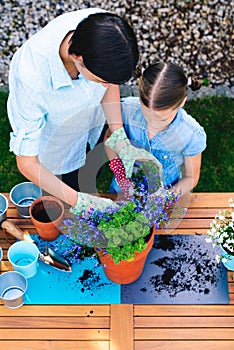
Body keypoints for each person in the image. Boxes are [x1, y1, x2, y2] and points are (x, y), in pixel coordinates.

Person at [7, 8, 156, 215]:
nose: (106, 85)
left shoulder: (103, 30)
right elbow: (27, 162)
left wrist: (119, 137)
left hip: (90, 126)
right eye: (101, 80)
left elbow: (110, 84)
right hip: (58, 150)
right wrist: (79, 200)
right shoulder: (31, 80)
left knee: (90, 167)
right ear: (78, 58)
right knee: (65, 198)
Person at [105, 61, 207, 196]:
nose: (153, 124)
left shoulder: (191, 134)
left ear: (182, 102)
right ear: (140, 98)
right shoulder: (124, 110)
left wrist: (164, 199)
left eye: (162, 119)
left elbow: (191, 178)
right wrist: (121, 176)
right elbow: (109, 139)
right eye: (146, 116)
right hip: (121, 192)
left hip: (162, 196)